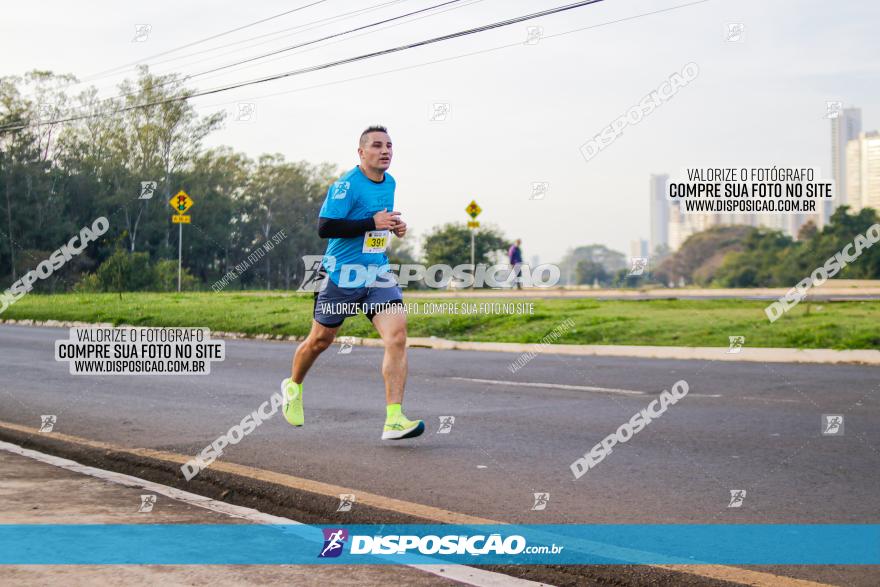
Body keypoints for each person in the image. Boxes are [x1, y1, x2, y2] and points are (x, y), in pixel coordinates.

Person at [280, 125, 424, 440]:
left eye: (389, 145)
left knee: (397, 337)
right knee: (320, 341)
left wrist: (393, 227)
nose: (385, 151)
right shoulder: (346, 185)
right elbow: (326, 227)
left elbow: (375, 223)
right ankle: (293, 386)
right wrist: (371, 223)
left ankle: (394, 419)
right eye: (377, 145)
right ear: (361, 152)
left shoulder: (390, 182)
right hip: (340, 274)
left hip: (377, 272)